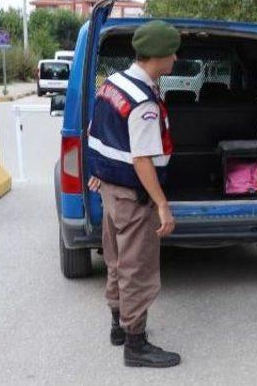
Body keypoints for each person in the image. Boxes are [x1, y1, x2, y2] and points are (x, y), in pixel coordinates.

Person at [87, 20, 181, 367]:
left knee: (115, 259)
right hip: (132, 193)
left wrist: (98, 172)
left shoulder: (112, 83)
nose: (175, 60)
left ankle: (118, 325)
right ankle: (135, 344)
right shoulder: (143, 100)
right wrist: (162, 204)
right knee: (137, 268)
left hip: (112, 190)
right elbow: (142, 160)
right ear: (157, 56)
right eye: (172, 54)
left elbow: (94, 132)